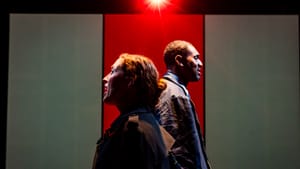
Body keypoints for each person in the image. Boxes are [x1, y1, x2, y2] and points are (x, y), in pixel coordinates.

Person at [92, 53, 170, 169]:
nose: (105, 79)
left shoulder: (133, 130)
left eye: (113, 71)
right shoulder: (150, 124)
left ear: (131, 80)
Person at [155, 40, 211, 169]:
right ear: (179, 61)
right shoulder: (173, 93)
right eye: (196, 58)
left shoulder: (173, 90)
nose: (200, 64)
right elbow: (176, 149)